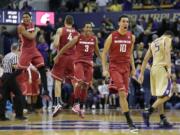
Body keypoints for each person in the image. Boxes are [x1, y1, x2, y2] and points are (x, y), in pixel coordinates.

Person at [53, 22, 101, 118]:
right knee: (80, 81)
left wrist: (104, 61)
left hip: (89, 64)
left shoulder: (94, 39)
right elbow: (66, 46)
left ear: (91, 29)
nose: (88, 29)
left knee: (86, 85)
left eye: (90, 27)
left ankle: (81, 107)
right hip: (79, 63)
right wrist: (57, 56)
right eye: (87, 27)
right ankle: (76, 104)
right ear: (84, 28)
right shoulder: (78, 37)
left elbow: (97, 51)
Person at [102, 15, 138, 132]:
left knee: (125, 95)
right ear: (119, 23)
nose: (125, 23)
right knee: (122, 93)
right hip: (115, 67)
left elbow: (131, 54)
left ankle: (126, 115)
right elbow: (104, 54)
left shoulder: (132, 37)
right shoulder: (112, 36)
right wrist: (104, 68)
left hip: (126, 68)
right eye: (123, 21)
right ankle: (130, 122)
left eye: (127, 21)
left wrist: (133, 68)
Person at [138, 31, 174, 128]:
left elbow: (145, 59)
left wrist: (141, 73)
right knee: (169, 93)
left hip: (153, 69)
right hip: (162, 68)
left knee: (160, 96)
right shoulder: (167, 39)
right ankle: (148, 112)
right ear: (170, 36)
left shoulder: (153, 42)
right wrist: (169, 69)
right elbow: (167, 53)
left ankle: (162, 118)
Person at [17, 11, 50, 101]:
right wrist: (36, 30)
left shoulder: (32, 24)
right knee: (19, 71)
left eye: (27, 17)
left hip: (34, 50)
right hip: (26, 51)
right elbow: (31, 37)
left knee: (42, 68)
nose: (25, 19)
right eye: (24, 17)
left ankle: (46, 91)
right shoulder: (21, 27)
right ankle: (7, 84)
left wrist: (46, 24)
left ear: (30, 18)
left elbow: (41, 29)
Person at [51, 15, 79, 116]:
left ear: (64, 22)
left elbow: (55, 44)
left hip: (62, 57)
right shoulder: (77, 33)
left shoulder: (60, 30)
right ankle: (76, 103)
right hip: (72, 59)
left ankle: (57, 103)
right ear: (72, 22)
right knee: (74, 81)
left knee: (58, 81)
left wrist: (55, 39)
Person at [0, 43, 26, 120]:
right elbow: (15, 67)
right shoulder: (15, 56)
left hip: (4, 76)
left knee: (3, 97)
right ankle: (19, 115)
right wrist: (22, 67)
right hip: (10, 77)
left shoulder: (6, 56)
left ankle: (1, 116)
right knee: (18, 94)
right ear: (17, 49)